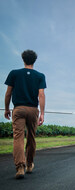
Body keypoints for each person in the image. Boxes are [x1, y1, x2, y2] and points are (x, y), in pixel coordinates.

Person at [4, 50, 46, 179]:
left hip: (19, 109)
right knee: (31, 137)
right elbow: (41, 95)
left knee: (18, 138)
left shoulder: (14, 73)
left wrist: (7, 109)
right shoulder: (40, 76)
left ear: (23, 59)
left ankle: (20, 167)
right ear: (34, 61)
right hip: (33, 109)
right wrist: (42, 113)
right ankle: (29, 164)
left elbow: (8, 93)